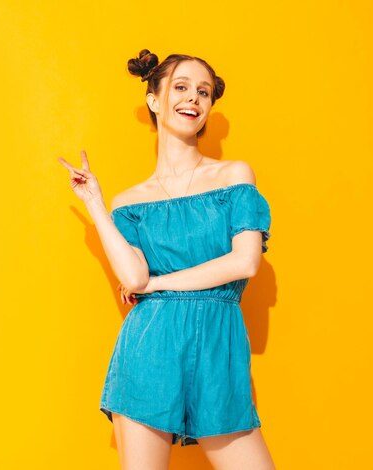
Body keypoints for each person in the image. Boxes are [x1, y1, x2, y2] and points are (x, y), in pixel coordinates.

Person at [57, 50, 276, 469]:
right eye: (181, 87)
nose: (193, 98)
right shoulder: (131, 202)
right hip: (149, 351)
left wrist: (158, 283)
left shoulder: (234, 176)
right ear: (154, 100)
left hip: (218, 347)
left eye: (203, 91)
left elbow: (244, 263)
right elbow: (134, 276)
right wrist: (96, 205)